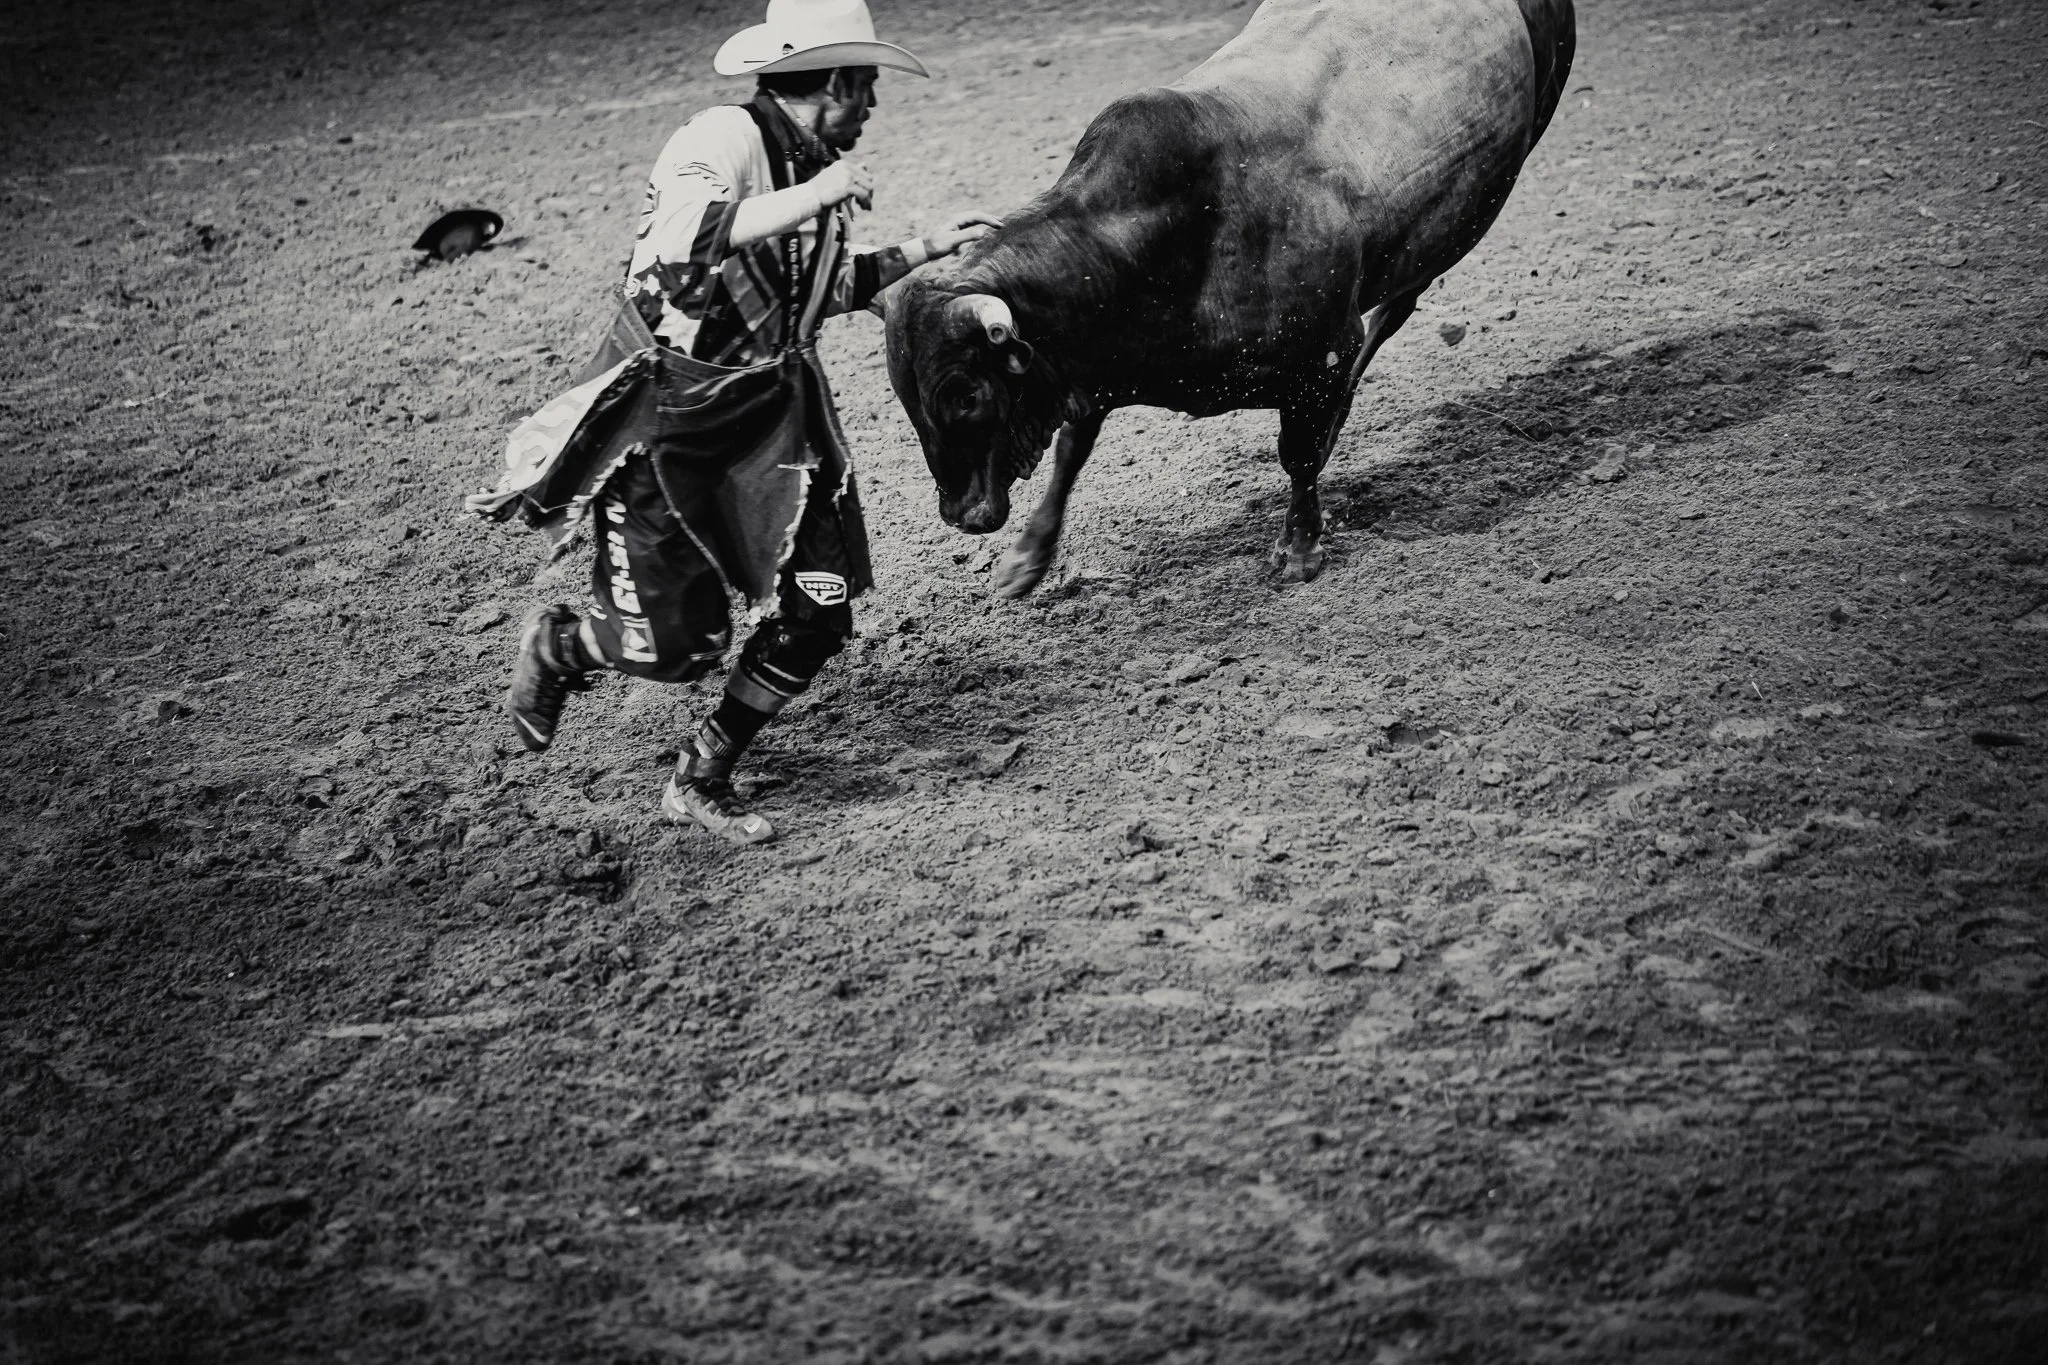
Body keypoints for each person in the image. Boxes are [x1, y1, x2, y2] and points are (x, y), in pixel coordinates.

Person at [498, 0, 994, 846]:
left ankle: (702, 773)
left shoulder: (814, 171)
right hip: (676, 421)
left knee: (822, 609)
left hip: (778, 419)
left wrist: (923, 250)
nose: (872, 106)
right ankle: (563, 644)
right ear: (834, 82)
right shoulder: (720, 139)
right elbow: (681, 245)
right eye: (865, 86)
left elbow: (819, 290)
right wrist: (817, 194)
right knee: (669, 647)